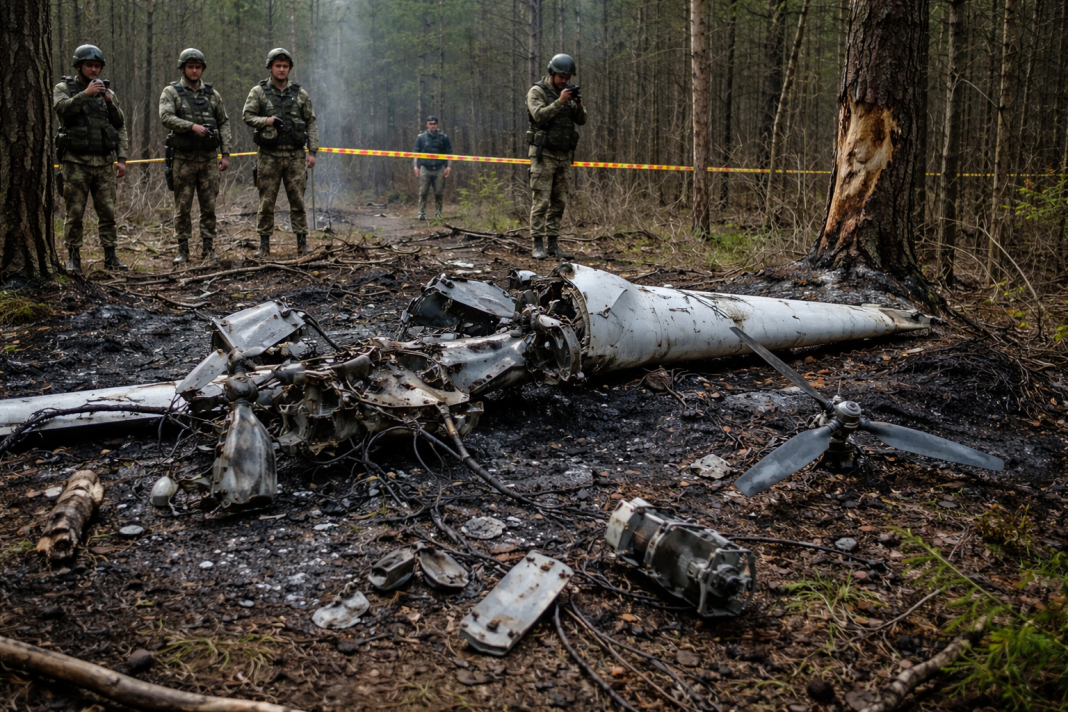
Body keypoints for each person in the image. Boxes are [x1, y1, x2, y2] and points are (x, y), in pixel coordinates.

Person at [53, 44, 129, 273]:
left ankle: (111, 256)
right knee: (74, 213)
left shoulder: (108, 93)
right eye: (89, 66)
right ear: (79, 66)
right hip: (75, 163)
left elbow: (120, 125)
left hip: (104, 162)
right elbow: (61, 109)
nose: (94, 70)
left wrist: (122, 158)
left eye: (97, 66)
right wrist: (85, 95)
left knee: (107, 213)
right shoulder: (64, 88)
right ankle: (73, 258)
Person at [242, 47, 318, 257]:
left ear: (290, 68)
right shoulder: (258, 92)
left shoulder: (300, 94)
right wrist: (267, 121)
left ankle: (302, 243)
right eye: (278, 66)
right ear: (270, 68)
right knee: (266, 201)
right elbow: (247, 116)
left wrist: (312, 151)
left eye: (285, 66)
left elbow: (311, 121)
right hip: (269, 155)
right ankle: (264, 245)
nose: (282, 69)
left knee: (298, 200)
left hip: (295, 155)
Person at [159, 48, 232, 263]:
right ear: (183, 68)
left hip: (209, 157)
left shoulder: (212, 94)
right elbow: (166, 117)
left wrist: (225, 153)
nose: (194, 71)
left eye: (197, 67)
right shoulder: (171, 92)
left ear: (202, 69)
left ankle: (209, 248)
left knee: (209, 205)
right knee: (182, 206)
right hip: (183, 158)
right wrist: (192, 127)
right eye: (190, 67)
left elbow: (224, 122)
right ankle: (183, 250)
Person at [526, 53, 586, 261]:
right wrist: (560, 102)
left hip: (563, 155)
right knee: (541, 201)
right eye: (561, 77)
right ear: (552, 73)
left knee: (559, 202)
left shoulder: (568, 94)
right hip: (544, 155)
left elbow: (582, 120)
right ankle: (537, 244)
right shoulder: (537, 91)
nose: (564, 81)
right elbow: (539, 116)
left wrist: (577, 105)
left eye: (567, 77)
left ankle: (553, 244)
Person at [412, 116, 452, 220]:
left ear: (437, 124)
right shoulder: (421, 137)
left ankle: (438, 213)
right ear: (427, 124)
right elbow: (416, 153)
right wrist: (416, 166)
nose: (432, 125)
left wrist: (448, 167)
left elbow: (449, 154)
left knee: (439, 192)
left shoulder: (444, 137)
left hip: (439, 168)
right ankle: (421, 213)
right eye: (430, 123)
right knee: (423, 192)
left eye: (434, 124)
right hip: (425, 167)